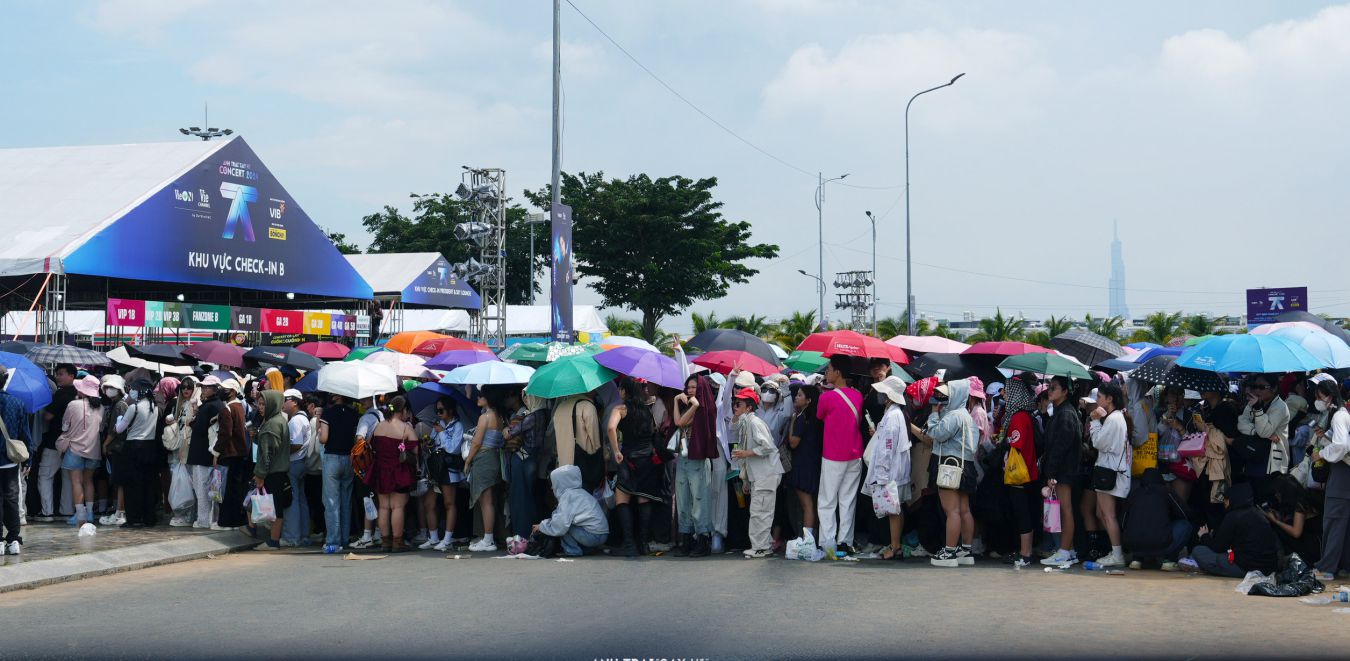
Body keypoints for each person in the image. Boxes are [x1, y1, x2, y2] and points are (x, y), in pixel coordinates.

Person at [608, 376, 667, 557]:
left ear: (624, 391)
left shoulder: (621, 409)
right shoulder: (646, 411)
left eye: (621, 389)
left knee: (622, 500)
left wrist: (616, 450)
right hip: (648, 460)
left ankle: (629, 544)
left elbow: (611, 428)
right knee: (644, 499)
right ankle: (643, 543)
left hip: (629, 459)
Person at [925, 379, 979, 567]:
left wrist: (933, 415)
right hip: (966, 465)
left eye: (946, 395)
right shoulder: (966, 415)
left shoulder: (953, 415)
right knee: (964, 510)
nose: (941, 398)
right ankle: (965, 550)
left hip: (949, 464)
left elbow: (936, 434)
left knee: (952, 511)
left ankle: (949, 552)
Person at [816, 355, 865, 557]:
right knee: (848, 500)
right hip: (855, 453)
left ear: (838, 372)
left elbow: (820, 416)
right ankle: (845, 541)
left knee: (827, 500)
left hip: (833, 453)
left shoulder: (826, 397)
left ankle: (827, 542)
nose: (826, 373)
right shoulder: (858, 395)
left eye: (829, 369)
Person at [861, 375, 912, 561]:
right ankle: (895, 545)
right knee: (896, 509)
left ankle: (895, 546)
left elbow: (886, 448)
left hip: (890, 471)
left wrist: (881, 474)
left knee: (892, 510)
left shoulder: (892, 416)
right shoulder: (894, 414)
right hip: (895, 469)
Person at [730, 387, 783, 558]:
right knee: (759, 511)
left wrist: (746, 453)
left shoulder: (754, 422)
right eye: (734, 403)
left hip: (766, 474)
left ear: (749, 407)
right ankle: (763, 545)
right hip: (760, 474)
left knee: (760, 512)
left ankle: (761, 547)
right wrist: (746, 480)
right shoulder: (746, 422)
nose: (735, 407)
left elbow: (767, 447)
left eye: (738, 404)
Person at [1191, 482, 1279, 578]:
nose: (1224, 503)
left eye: (1226, 500)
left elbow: (1218, 547)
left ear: (1232, 500)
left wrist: (1204, 536)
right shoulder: (1259, 514)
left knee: (1198, 551)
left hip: (1246, 568)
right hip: (1268, 569)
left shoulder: (1233, 516)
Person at [1087, 383, 1133, 567]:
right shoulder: (1117, 417)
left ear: (1109, 399)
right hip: (1111, 471)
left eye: (1099, 396)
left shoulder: (1114, 419)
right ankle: (1117, 550)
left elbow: (1098, 442)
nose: (1097, 400)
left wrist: (1094, 421)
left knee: (1108, 515)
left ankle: (1117, 554)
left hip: (1110, 472)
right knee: (1101, 513)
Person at [366, 396, 419, 553]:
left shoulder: (379, 426)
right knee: (397, 507)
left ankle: (385, 542)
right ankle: (397, 542)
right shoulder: (405, 428)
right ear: (403, 410)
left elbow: (370, 445)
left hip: (380, 471)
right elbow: (416, 449)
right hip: (399, 472)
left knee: (383, 507)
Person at [1040, 376, 1084, 566]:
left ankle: (1065, 551)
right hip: (1063, 469)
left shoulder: (1066, 413)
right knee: (1063, 509)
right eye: (1049, 387)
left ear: (1065, 391)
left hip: (1064, 470)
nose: (1049, 390)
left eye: (1054, 388)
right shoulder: (1061, 412)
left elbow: (1060, 447)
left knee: (1065, 510)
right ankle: (1069, 550)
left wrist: (1051, 473)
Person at [672, 374, 717, 557]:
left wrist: (695, 405)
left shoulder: (705, 408)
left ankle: (703, 540)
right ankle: (687, 539)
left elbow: (680, 422)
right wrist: (676, 401)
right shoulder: (690, 406)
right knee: (683, 500)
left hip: (697, 458)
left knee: (699, 500)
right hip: (684, 456)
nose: (690, 390)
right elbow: (677, 422)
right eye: (688, 387)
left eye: (693, 387)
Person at [997, 374, 1040, 567]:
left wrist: (1004, 442)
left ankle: (1025, 553)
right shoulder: (1021, 415)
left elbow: (1017, 443)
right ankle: (1024, 551)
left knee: (1022, 512)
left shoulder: (1019, 417)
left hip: (1020, 473)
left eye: (1008, 390)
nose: (1005, 394)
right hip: (1024, 471)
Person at [1311, 379, 1350, 581]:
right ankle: (1343, 566)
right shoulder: (1342, 415)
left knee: (1334, 520)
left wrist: (1322, 454)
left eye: (1319, 397)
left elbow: (1342, 445)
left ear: (1330, 397)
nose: (1318, 401)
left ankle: (1327, 568)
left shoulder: (1339, 417)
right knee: (1343, 523)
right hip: (1343, 471)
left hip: (1343, 473)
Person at [464, 386, 508, 553]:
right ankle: (489, 537)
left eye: (481, 395)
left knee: (485, 500)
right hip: (495, 457)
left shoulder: (485, 417)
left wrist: (468, 461)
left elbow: (476, 442)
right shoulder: (500, 416)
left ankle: (488, 539)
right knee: (491, 499)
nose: (478, 398)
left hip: (484, 458)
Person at [1122, 467, 1192, 570]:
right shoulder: (1166, 492)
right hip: (1160, 543)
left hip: (1134, 546)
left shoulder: (1134, 494)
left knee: (1136, 528)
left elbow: (1123, 523)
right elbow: (1184, 513)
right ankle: (1169, 560)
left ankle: (1136, 560)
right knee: (1185, 525)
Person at [55, 375, 102, 527]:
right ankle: (89, 514)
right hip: (94, 450)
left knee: (76, 482)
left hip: (75, 448)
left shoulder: (73, 404)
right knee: (89, 481)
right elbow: (101, 428)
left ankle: (80, 515)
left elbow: (64, 426)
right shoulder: (100, 407)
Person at [34, 363, 77, 523]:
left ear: (71, 375)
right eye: (57, 374)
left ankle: (47, 512)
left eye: (61, 374)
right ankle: (66, 510)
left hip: (54, 442)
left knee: (45, 476)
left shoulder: (61, 395)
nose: (58, 377)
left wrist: (44, 410)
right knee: (68, 478)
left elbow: (48, 417)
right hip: (73, 443)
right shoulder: (78, 394)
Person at [534, 465, 610, 556]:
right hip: (602, 534)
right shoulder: (580, 492)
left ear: (560, 483)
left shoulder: (568, 496)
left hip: (594, 536)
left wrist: (542, 526)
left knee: (566, 527)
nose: (551, 488)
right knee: (568, 524)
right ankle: (586, 549)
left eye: (554, 484)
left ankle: (573, 552)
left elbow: (560, 524)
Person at [115, 378, 160, 528]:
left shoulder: (134, 408)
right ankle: (149, 517)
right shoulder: (155, 407)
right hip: (150, 447)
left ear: (139, 390)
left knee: (132, 485)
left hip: (133, 447)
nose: (131, 391)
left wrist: (119, 419)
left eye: (133, 388)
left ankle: (134, 518)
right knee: (148, 484)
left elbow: (119, 429)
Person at [503, 391, 548, 541]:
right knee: (528, 496)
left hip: (522, 459)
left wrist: (505, 429)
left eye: (528, 397)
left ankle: (521, 534)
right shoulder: (543, 414)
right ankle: (528, 533)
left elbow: (510, 433)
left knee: (519, 497)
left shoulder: (532, 416)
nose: (526, 400)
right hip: (534, 459)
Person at [318, 394, 360, 554]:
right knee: (346, 501)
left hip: (332, 459)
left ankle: (333, 541)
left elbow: (323, 438)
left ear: (336, 395)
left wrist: (319, 425)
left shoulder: (327, 413)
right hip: (348, 459)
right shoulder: (354, 413)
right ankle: (344, 538)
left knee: (331, 501)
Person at [252, 390, 292, 550]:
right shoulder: (278, 420)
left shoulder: (272, 423)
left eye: (264, 404)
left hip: (273, 472)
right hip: (278, 471)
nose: (260, 408)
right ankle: (273, 539)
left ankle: (273, 541)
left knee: (274, 506)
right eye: (259, 404)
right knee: (276, 506)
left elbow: (267, 454)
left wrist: (260, 474)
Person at [425, 396, 466, 552]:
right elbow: (436, 444)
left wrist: (441, 433)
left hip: (448, 469)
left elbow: (453, 448)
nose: (439, 413)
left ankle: (447, 539)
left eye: (441, 410)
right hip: (436, 468)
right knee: (429, 503)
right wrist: (429, 443)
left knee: (449, 503)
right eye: (437, 410)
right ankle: (434, 538)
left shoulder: (458, 426)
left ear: (450, 410)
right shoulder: (439, 424)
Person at [1235, 373, 1290, 484]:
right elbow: (1241, 423)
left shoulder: (1281, 407)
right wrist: (1255, 431)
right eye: (1255, 387)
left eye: (1262, 387)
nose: (1257, 391)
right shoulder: (1253, 403)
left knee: (1267, 496)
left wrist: (1258, 410)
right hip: (1253, 453)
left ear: (1274, 389)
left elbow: (1264, 432)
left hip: (1271, 460)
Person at [786, 384, 823, 547]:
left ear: (808, 400)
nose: (796, 397)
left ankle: (808, 539)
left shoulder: (801, 417)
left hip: (802, 464)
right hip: (811, 462)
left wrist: (792, 422)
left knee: (806, 504)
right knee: (810, 503)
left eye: (800, 395)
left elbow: (793, 442)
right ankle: (810, 536)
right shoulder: (814, 417)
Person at [0, 371, 32, 555]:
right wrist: (29, 458)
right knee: (12, 499)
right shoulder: (18, 403)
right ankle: (13, 539)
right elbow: (25, 435)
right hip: (11, 459)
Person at [186, 376, 223, 529]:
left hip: (203, 453)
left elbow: (201, 428)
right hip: (206, 453)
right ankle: (209, 518)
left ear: (215, 389)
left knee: (203, 489)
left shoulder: (211, 406)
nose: (204, 390)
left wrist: (194, 420)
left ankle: (204, 520)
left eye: (208, 387)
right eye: (203, 387)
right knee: (208, 489)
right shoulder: (211, 405)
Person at [215, 379, 250, 530]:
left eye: (227, 389)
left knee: (228, 490)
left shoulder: (228, 409)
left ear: (234, 392)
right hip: (240, 453)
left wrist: (216, 452)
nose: (223, 391)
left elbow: (225, 434)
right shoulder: (239, 407)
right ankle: (237, 521)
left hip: (230, 453)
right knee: (236, 489)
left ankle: (227, 522)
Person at [350, 397, 385, 549]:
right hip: (379, 461)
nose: (362, 401)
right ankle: (377, 533)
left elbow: (360, 439)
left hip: (366, 464)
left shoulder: (365, 418)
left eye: (365, 398)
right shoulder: (381, 415)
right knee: (376, 498)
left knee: (367, 500)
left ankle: (366, 536)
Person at [164, 377, 199, 527]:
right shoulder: (179, 404)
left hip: (189, 448)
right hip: (179, 448)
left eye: (189, 387)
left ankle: (190, 515)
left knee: (190, 482)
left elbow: (190, 428)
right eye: (183, 387)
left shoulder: (195, 404)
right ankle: (183, 513)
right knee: (180, 482)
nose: (186, 390)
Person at [1264, 473, 1319, 565]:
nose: (1277, 496)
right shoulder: (1295, 501)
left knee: (1278, 530)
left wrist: (1276, 521)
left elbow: (1296, 532)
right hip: (1307, 539)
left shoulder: (1300, 504)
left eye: (1278, 493)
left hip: (1312, 545)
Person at [280, 389, 310, 546]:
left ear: (295, 402)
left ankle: (292, 537)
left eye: (286, 399)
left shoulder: (296, 420)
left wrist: (281, 450)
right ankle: (304, 535)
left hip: (294, 462)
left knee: (292, 501)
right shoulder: (302, 418)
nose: (283, 402)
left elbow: (296, 444)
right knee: (300, 500)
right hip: (301, 462)